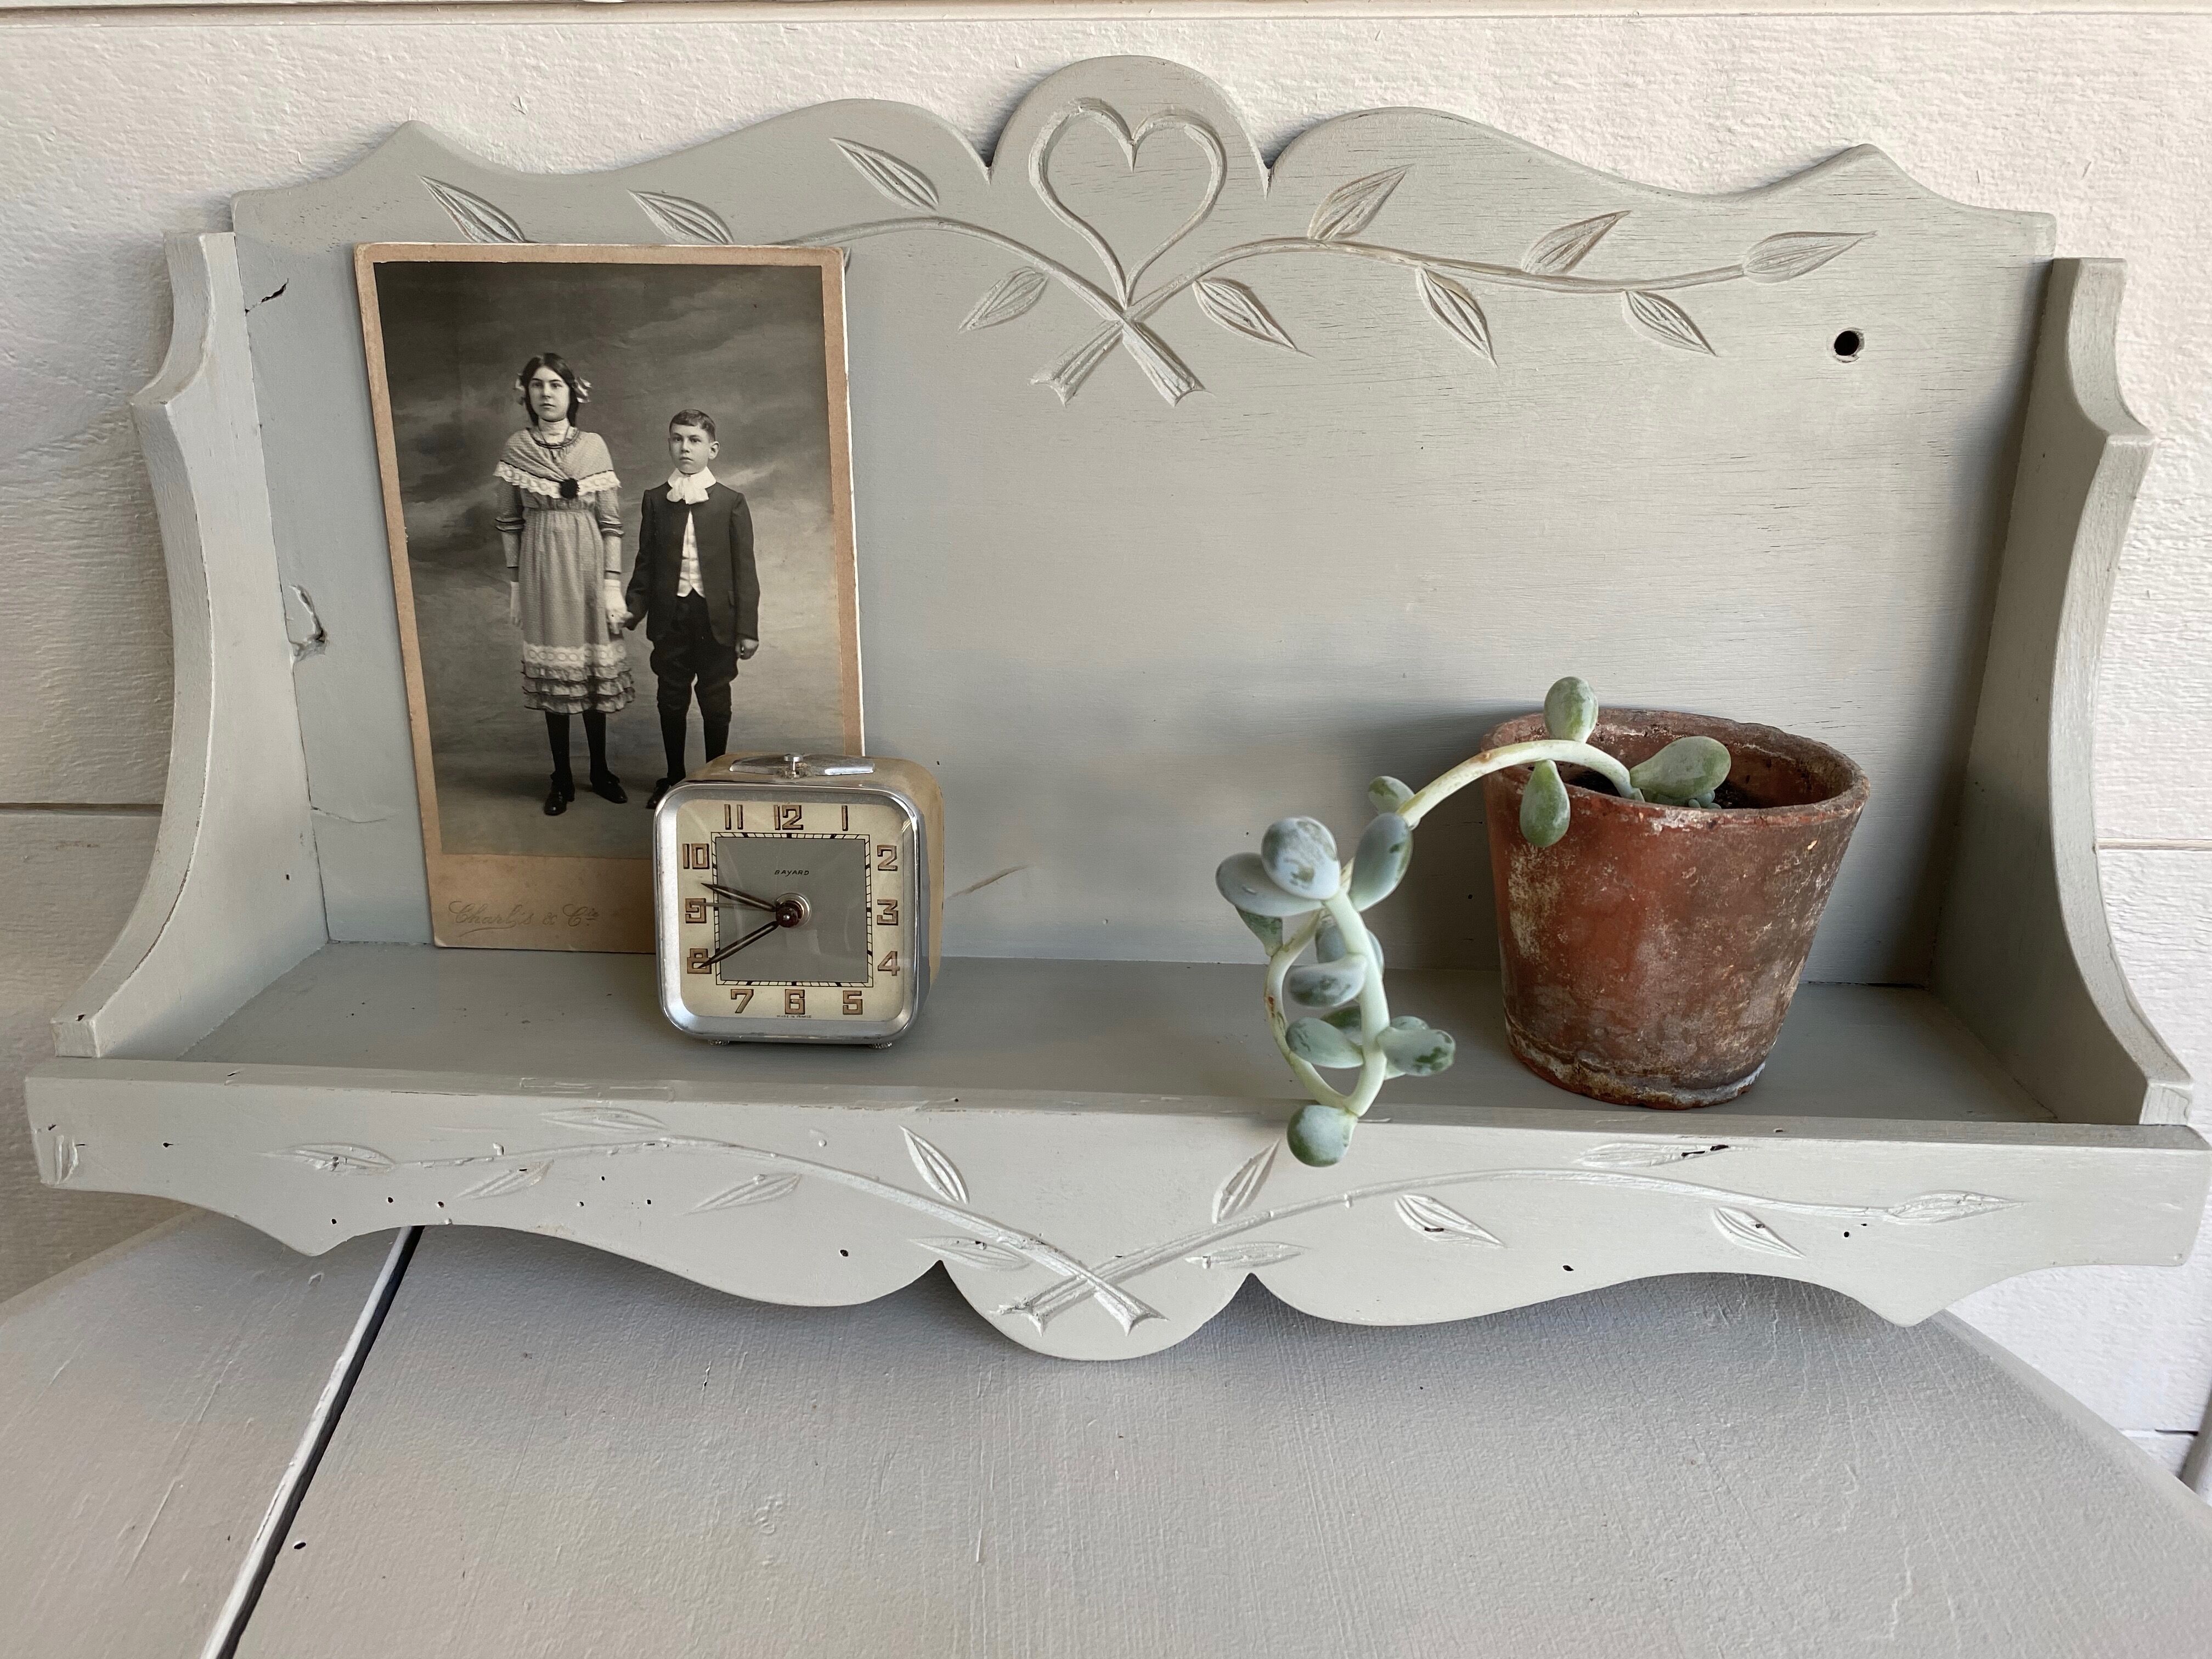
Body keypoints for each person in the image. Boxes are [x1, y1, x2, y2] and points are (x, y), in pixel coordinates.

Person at [494, 354, 634, 815]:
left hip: (590, 565)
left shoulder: (593, 446)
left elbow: (611, 521)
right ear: (526, 393)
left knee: (592, 672)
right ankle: (562, 777)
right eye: (538, 385)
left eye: (556, 385)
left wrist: (612, 583)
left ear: (574, 393)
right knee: (557, 680)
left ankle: (599, 769)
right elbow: (509, 522)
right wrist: (515, 584)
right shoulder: (516, 447)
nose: (547, 393)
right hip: (542, 567)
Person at [623, 409, 760, 810]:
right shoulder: (655, 501)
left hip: (717, 620)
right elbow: (644, 564)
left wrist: (747, 628)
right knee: (671, 698)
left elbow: (745, 571)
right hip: (671, 617)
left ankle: (714, 776)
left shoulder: (732, 502)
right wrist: (631, 611)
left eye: (695, 440)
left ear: (712, 449)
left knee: (716, 700)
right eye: (677, 439)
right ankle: (672, 777)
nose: (685, 447)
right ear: (669, 444)